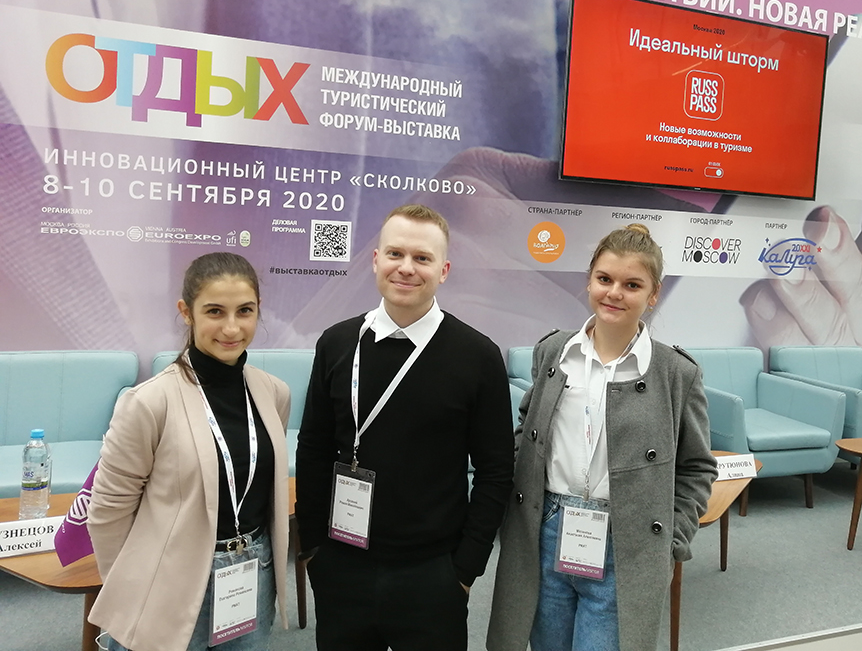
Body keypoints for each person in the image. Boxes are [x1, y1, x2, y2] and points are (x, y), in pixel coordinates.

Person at [487, 223, 718, 651]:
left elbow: (697, 466)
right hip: (546, 529)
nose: (614, 293)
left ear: (653, 294)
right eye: (605, 279)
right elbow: (527, 430)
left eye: (632, 285)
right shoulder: (554, 352)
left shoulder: (676, 373)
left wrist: (672, 540)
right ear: (589, 280)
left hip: (626, 541)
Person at [295, 203, 514, 651]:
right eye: (395, 254)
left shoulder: (478, 356)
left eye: (422, 258)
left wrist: (465, 569)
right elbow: (313, 446)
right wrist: (315, 549)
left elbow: (495, 469)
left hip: (433, 574)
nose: (406, 268)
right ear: (376, 260)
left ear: (444, 270)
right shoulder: (337, 343)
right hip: (343, 565)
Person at [87, 252, 291, 651]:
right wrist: (131, 590)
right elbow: (109, 509)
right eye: (214, 311)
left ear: (258, 310)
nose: (231, 327)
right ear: (187, 312)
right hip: (169, 580)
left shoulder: (273, 393)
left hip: (252, 569)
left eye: (244, 311)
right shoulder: (149, 402)